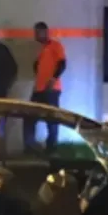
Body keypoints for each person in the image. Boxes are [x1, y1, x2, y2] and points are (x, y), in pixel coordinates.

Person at [25, 22, 67, 152]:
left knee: (52, 119)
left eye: (38, 32)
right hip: (39, 89)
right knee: (29, 117)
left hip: (51, 89)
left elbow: (62, 63)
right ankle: (30, 147)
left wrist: (53, 79)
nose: (36, 35)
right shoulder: (40, 49)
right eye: (35, 33)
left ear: (45, 32)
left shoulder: (55, 45)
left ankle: (51, 148)